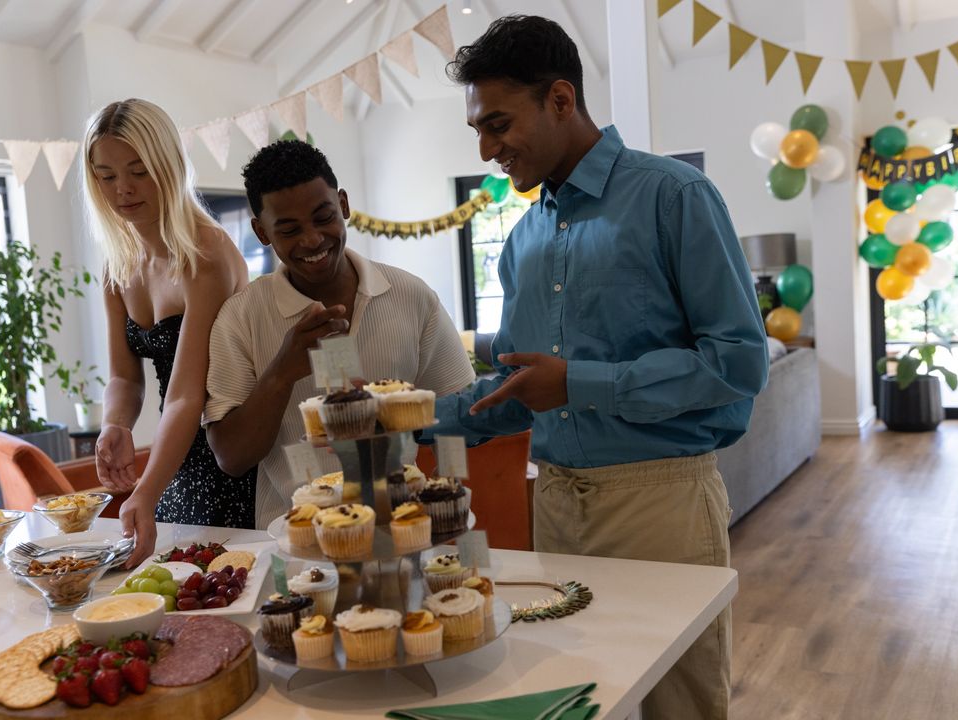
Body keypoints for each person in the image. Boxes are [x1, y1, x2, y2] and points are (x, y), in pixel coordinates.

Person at [427, 15, 769, 720]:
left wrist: (578, 383)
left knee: (681, 706)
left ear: (560, 99)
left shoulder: (674, 196)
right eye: (478, 132)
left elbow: (737, 364)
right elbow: (520, 391)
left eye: (498, 124)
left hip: (661, 505)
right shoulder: (521, 241)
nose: (487, 149)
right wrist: (408, 419)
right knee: (578, 698)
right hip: (554, 506)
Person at [203, 139, 474, 528]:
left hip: (400, 529)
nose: (312, 239)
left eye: (323, 217)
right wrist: (281, 372)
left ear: (344, 204)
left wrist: (448, 502)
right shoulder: (240, 318)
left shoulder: (411, 296)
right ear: (262, 232)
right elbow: (231, 458)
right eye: (289, 229)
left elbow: (459, 418)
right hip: (293, 538)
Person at [83, 98, 256, 568]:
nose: (123, 189)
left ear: (169, 165)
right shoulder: (118, 264)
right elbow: (124, 377)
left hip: (230, 454)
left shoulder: (206, 254)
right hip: (175, 456)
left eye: (138, 171)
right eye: (106, 176)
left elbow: (186, 395)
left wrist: (146, 488)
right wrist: (115, 424)